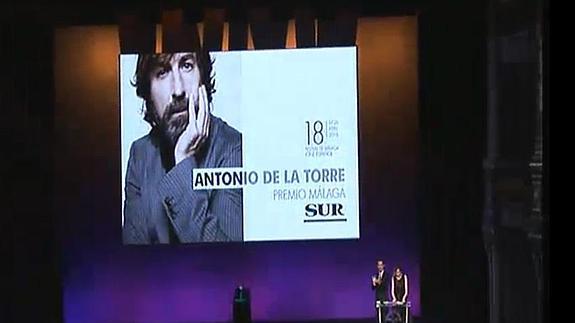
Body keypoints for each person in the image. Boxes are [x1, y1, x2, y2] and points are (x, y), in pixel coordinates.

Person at [122, 48, 243, 244]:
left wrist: (183, 160)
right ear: (148, 93)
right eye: (162, 72)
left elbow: (227, 260)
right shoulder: (140, 153)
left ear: (202, 78)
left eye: (187, 66)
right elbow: (132, 260)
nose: (178, 90)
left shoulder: (234, 149)